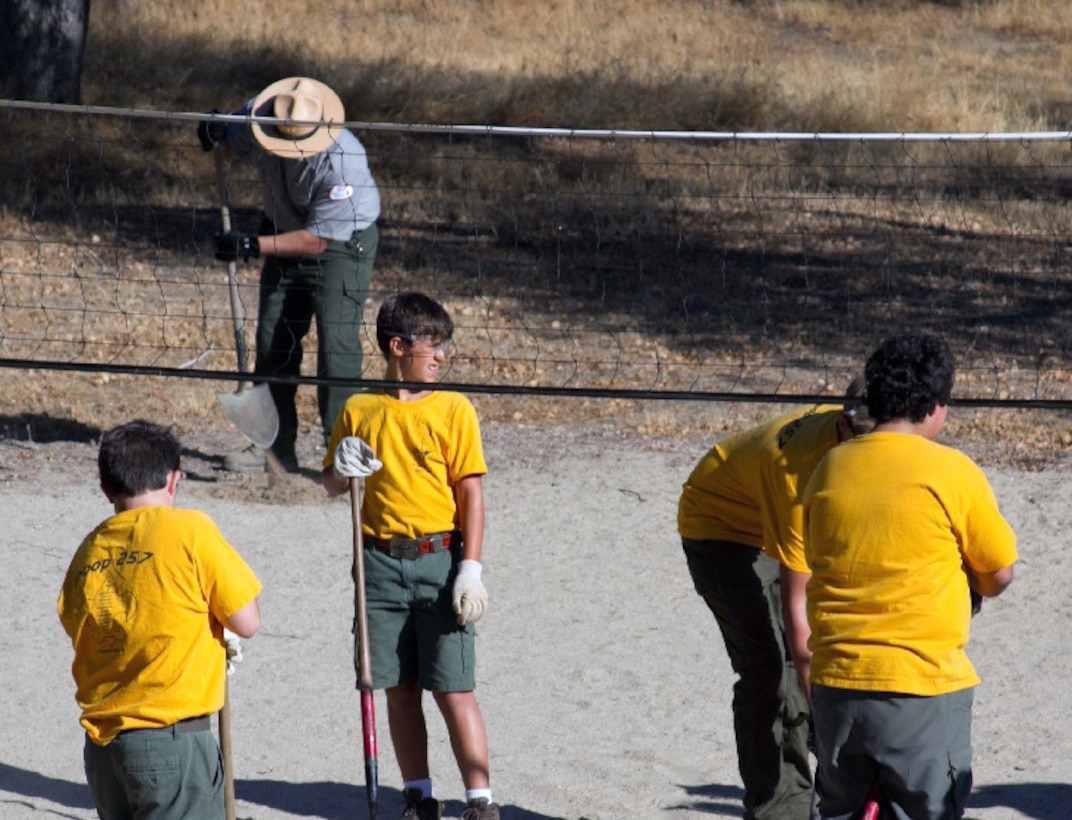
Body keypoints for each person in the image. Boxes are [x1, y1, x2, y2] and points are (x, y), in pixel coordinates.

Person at [801, 334, 1017, 819]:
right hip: (920, 686)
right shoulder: (951, 471)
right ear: (936, 406)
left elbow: (818, 556)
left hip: (836, 682)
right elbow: (1000, 574)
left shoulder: (829, 467)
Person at [322, 292, 499, 820]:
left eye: (445, 346)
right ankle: (419, 794)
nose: (441, 356)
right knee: (399, 688)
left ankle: (481, 802)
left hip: (440, 560)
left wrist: (471, 569)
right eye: (433, 345)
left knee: (454, 688)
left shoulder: (453, 409)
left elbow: (470, 493)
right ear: (397, 347)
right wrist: (341, 470)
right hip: (377, 565)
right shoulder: (359, 409)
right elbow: (332, 482)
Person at [676, 385, 868, 820]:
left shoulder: (884, 445)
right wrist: (823, 714)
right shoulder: (799, 472)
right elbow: (800, 626)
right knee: (771, 669)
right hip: (722, 526)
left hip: (774, 520)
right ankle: (780, 808)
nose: (870, 448)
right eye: (861, 436)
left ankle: (832, 791)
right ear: (843, 423)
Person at [58, 419, 262, 819]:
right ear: (174, 481)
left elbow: (80, 625)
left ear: (106, 490)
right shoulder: (190, 530)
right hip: (171, 743)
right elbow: (247, 621)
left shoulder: (89, 550)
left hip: (104, 749)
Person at [197, 76, 381, 473]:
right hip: (282, 231)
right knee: (273, 344)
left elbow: (318, 241)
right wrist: (215, 131)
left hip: (340, 246)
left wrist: (250, 245)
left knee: (336, 347)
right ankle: (274, 450)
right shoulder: (260, 116)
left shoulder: (342, 160)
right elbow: (229, 140)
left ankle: (345, 456)